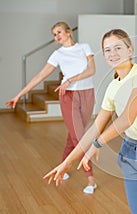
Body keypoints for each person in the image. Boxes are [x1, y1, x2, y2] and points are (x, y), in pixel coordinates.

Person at [44, 29, 137, 214]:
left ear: (130, 50)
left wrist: (97, 144)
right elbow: (95, 128)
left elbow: (127, 119)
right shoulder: (112, 88)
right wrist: (67, 162)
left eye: (118, 48)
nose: (113, 54)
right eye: (107, 50)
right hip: (132, 156)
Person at [6, 21, 96, 194]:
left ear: (69, 32)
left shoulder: (84, 47)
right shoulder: (58, 54)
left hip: (87, 94)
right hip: (68, 96)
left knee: (74, 135)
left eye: (59, 32)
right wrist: (19, 95)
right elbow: (40, 76)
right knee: (79, 137)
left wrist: (71, 78)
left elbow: (91, 70)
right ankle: (90, 178)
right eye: (54, 34)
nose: (57, 36)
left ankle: (63, 167)